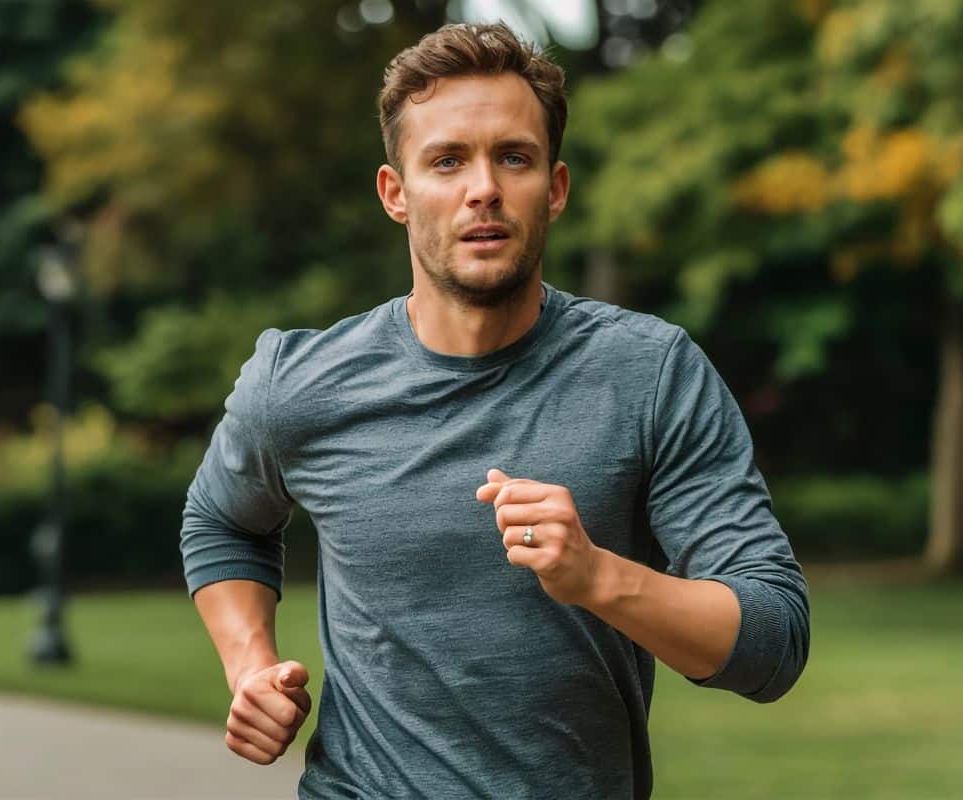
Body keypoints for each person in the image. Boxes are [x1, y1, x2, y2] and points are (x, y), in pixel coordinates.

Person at [180, 22, 810, 800]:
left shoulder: (650, 374)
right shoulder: (299, 381)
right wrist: (250, 667)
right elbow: (222, 518)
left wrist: (600, 577)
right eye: (447, 161)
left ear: (555, 187)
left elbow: (773, 640)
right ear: (396, 194)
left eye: (513, 157)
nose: (483, 187)